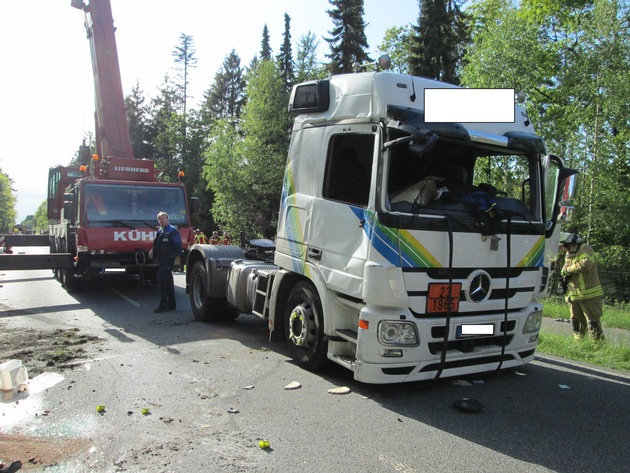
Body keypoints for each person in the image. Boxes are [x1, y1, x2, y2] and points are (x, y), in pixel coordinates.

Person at [559, 232, 604, 340]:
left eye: (560, 246)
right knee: (576, 322)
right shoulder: (569, 252)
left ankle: (597, 348)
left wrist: (568, 270)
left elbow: (585, 264)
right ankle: (579, 346)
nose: (560, 249)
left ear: (567, 243)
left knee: (593, 323)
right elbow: (567, 267)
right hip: (574, 294)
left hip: (589, 294)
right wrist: (564, 271)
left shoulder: (585, 248)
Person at [149, 211, 182, 313]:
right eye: (160, 219)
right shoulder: (160, 231)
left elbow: (178, 245)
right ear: (158, 221)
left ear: (167, 219)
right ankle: (171, 304)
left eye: (164, 218)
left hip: (169, 259)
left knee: (161, 279)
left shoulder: (172, 230)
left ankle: (164, 304)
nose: (162, 220)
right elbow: (156, 243)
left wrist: (177, 258)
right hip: (162, 259)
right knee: (168, 281)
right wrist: (152, 251)